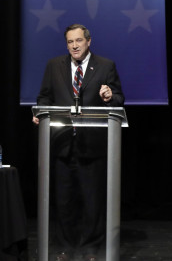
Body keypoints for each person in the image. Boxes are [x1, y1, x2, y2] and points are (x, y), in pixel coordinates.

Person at [32, 24, 125, 261]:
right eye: (70, 42)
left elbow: (118, 99)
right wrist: (40, 113)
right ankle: (64, 247)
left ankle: (91, 249)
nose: (74, 46)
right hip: (62, 143)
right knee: (64, 201)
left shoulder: (105, 66)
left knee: (92, 200)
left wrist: (109, 96)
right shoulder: (55, 66)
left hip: (92, 146)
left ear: (88, 41)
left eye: (78, 41)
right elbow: (44, 96)